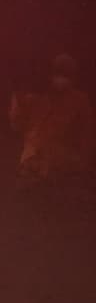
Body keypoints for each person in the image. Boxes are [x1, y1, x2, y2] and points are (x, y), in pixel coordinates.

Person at [9, 53, 96, 216]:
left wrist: (83, 160)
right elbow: (20, 125)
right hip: (36, 154)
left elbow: (87, 133)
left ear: (73, 78)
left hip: (65, 155)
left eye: (66, 75)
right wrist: (18, 102)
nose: (61, 79)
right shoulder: (41, 97)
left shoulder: (80, 101)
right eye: (58, 74)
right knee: (30, 188)